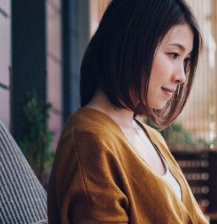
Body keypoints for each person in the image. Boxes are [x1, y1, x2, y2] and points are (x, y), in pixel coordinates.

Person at [46, 0, 206, 223]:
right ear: (132, 44)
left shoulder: (151, 137)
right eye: (173, 55)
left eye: (185, 60)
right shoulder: (89, 141)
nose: (182, 76)